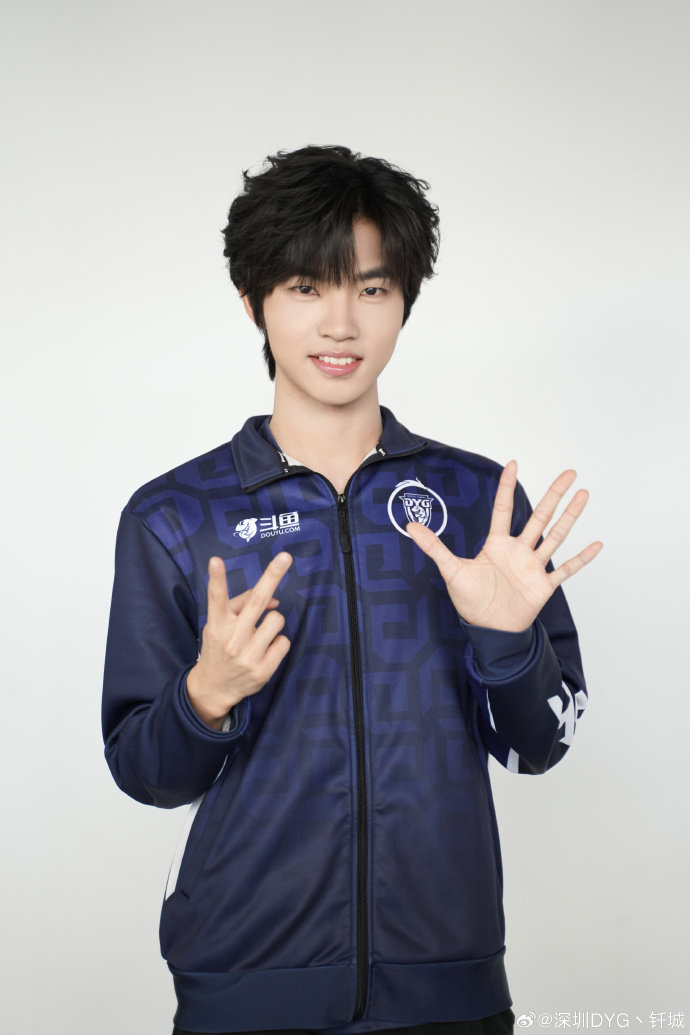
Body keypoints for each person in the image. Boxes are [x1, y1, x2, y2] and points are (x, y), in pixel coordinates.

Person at [102, 145, 602, 1035]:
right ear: (253, 299)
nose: (341, 323)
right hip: (243, 988)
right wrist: (204, 696)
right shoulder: (175, 516)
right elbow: (145, 772)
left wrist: (507, 642)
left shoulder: (475, 504)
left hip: (450, 991)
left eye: (371, 288)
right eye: (306, 286)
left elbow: (541, 746)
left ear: (404, 299)